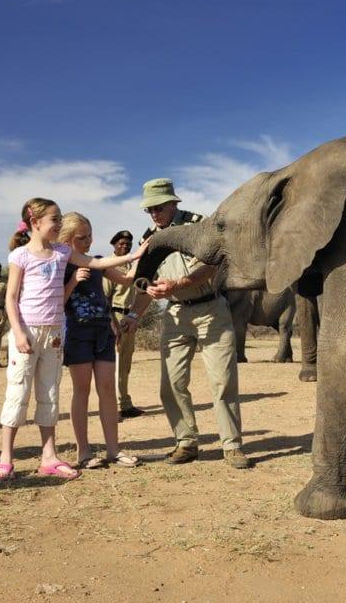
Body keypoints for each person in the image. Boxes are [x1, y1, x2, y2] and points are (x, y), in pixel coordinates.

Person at [0, 198, 146, 481]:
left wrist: (133, 256)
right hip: (31, 330)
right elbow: (11, 298)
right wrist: (17, 331)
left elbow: (99, 262)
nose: (59, 222)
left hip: (55, 334)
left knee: (49, 394)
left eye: (61, 218)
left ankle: (49, 457)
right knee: (18, 393)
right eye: (55, 219)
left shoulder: (62, 252)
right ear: (35, 222)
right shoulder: (21, 256)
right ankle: (6, 457)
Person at [123, 179, 251, 469]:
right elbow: (143, 282)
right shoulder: (150, 239)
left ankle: (232, 446)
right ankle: (185, 442)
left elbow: (213, 263)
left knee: (223, 381)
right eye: (149, 210)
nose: (154, 214)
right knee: (171, 384)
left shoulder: (199, 226)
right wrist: (134, 314)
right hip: (176, 314)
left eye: (159, 207)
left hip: (211, 310)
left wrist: (179, 283)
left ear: (173, 203)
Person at [59, 213, 140, 469]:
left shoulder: (97, 262)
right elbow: (56, 303)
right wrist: (72, 281)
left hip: (103, 332)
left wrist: (142, 255)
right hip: (78, 333)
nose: (88, 241)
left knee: (107, 390)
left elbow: (127, 279)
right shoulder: (60, 263)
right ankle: (83, 452)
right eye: (82, 238)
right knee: (81, 391)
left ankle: (113, 451)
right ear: (67, 239)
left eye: (90, 236)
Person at [103, 229, 144, 418]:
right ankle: (118, 406)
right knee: (117, 363)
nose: (125, 246)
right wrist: (114, 326)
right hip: (116, 318)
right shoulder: (110, 267)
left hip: (130, 318)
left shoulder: (132, 267)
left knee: (125, 362)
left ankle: (125, 402)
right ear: (114, 245)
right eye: (121, 244)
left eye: (128, 244)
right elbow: (105, 300)